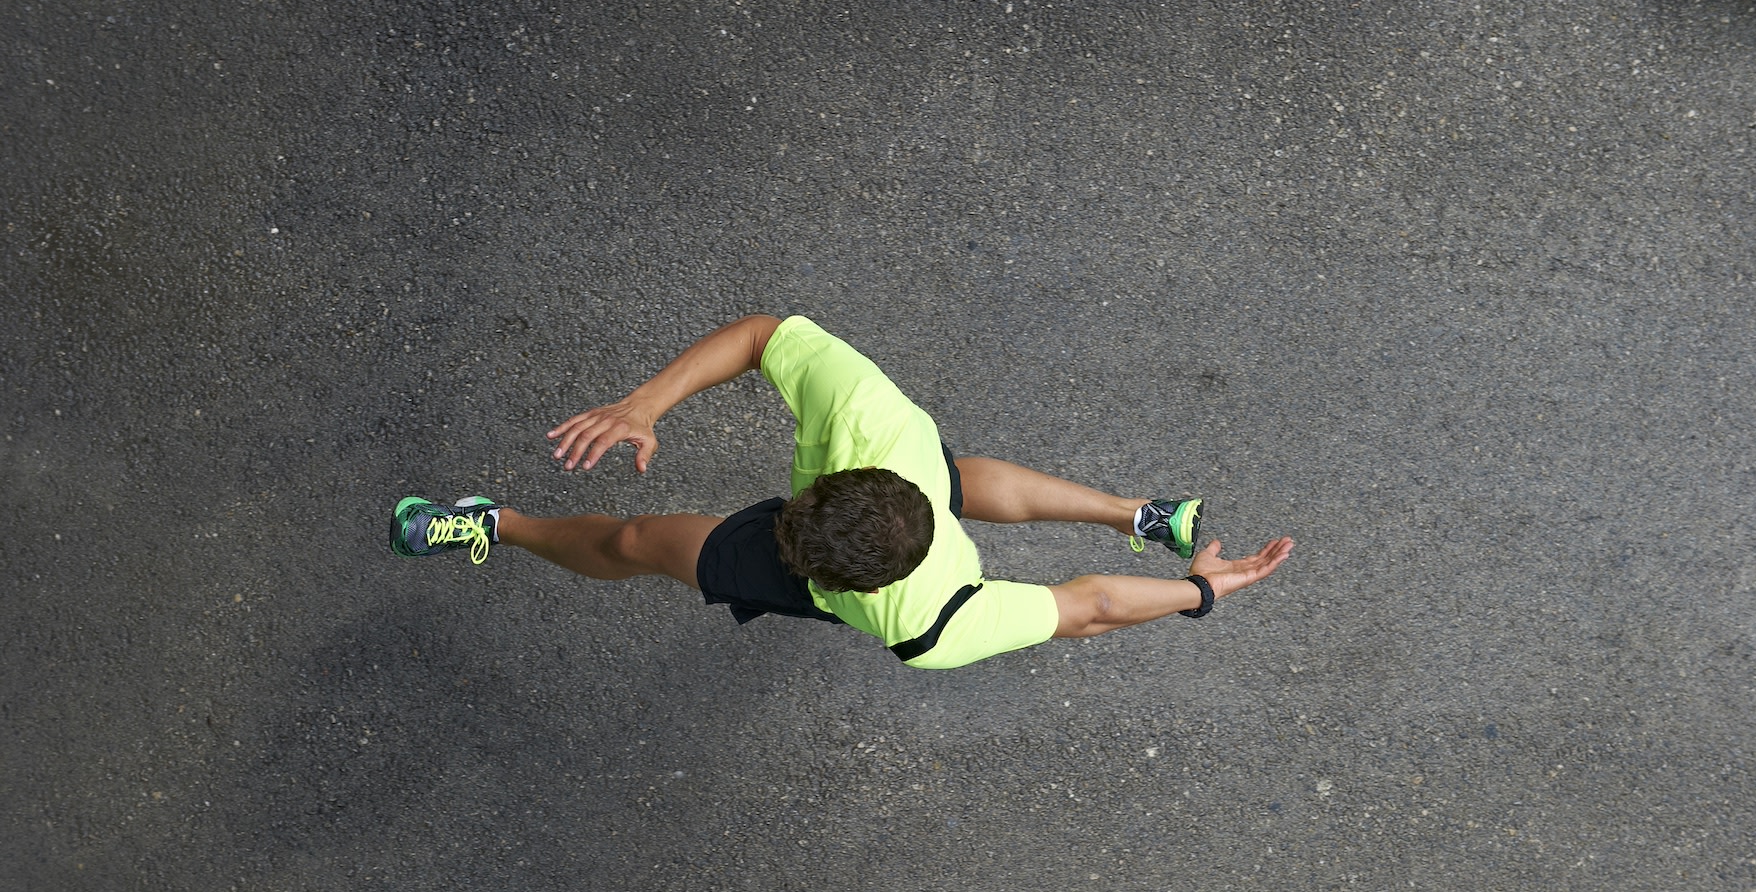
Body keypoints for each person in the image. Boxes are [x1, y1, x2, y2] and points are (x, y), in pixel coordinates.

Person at [389, 314, 1292, 669]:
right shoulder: (874, 424)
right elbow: (762, 335)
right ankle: (1140, 514)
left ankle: (492, 525)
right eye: (795, 525)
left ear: (853, 587)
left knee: (637, 545)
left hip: (903, 557)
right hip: (908, 485)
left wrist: (1207, 591)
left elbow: (1089, 606)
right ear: (853, 479)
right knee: (953, 473)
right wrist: (643, 404)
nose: (779, 531)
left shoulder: (931, 625)